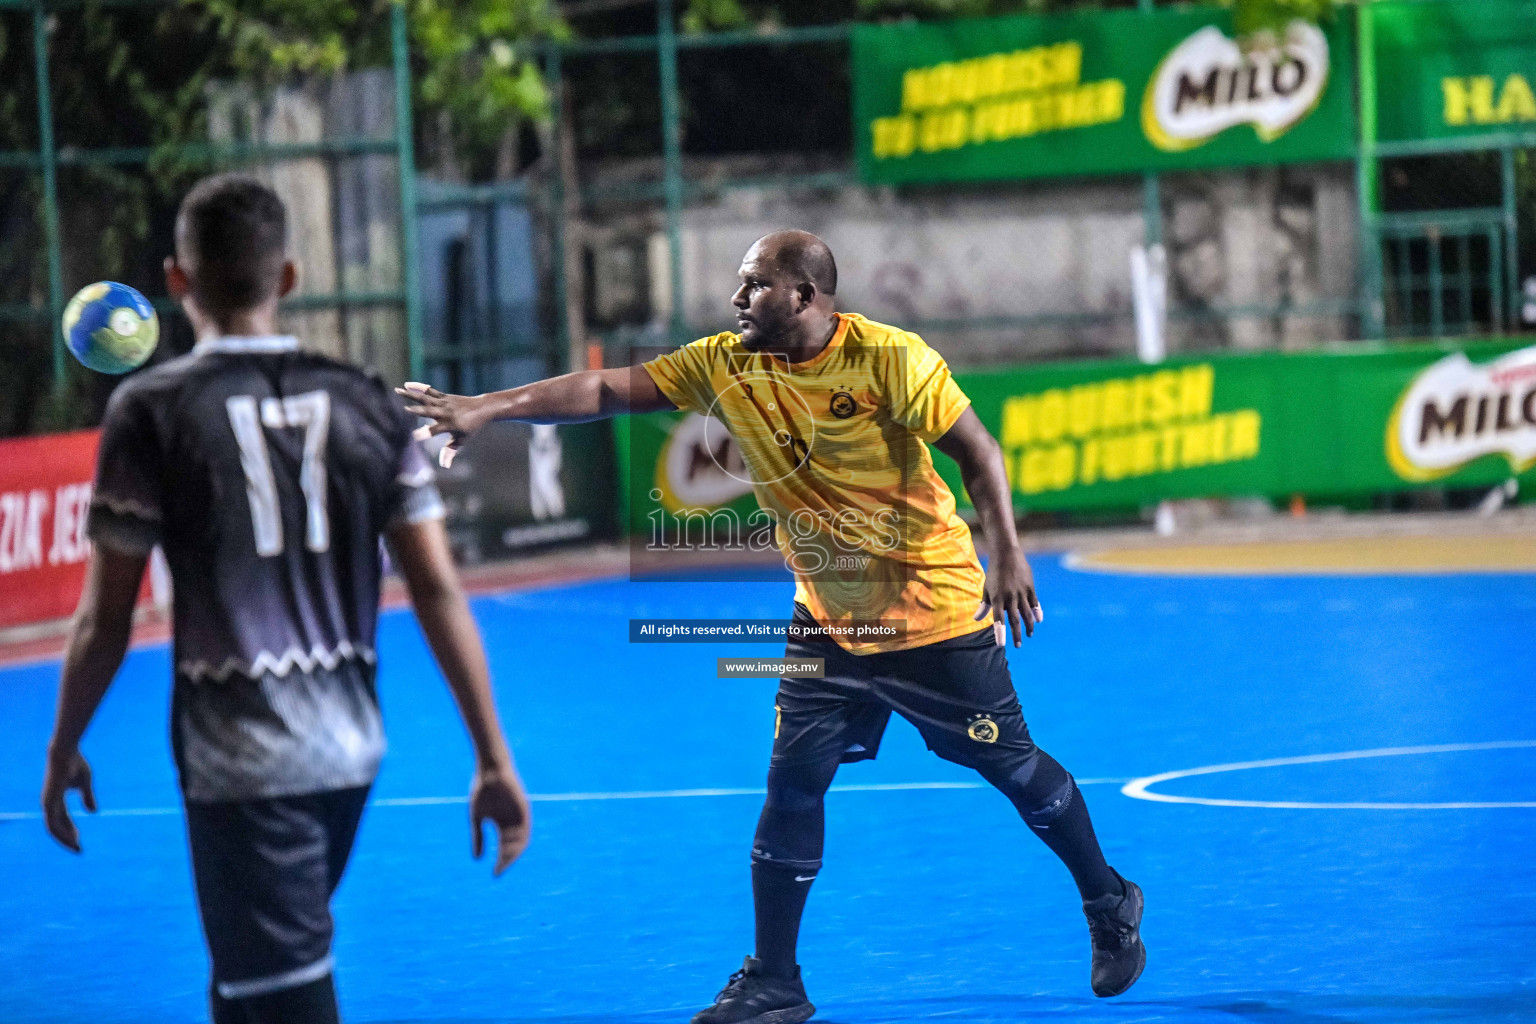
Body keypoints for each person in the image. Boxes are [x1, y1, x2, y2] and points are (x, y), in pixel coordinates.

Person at [399, 230, 1144, 1024]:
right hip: (825, 620)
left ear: (804, 296)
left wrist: (1009, 555)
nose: (735, 299)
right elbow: (607, 391)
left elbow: (978, 452)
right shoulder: (726, 361)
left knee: (1014, 770)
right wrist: (490, 406)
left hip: (931, 610)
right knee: (792, 786)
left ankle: (1109, 899)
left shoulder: (893, 360)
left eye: (752, 284)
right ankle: (775, 982)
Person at [40, 174, 532, 1024]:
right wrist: (492, 756)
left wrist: (64, 746)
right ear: (290, 278)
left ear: (177, 281)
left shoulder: (150, 411)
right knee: (250, 982)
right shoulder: (368, 403)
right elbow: (438, 589)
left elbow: (106, 618)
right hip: (351, 748)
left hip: (242, 761)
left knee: (282, 996)